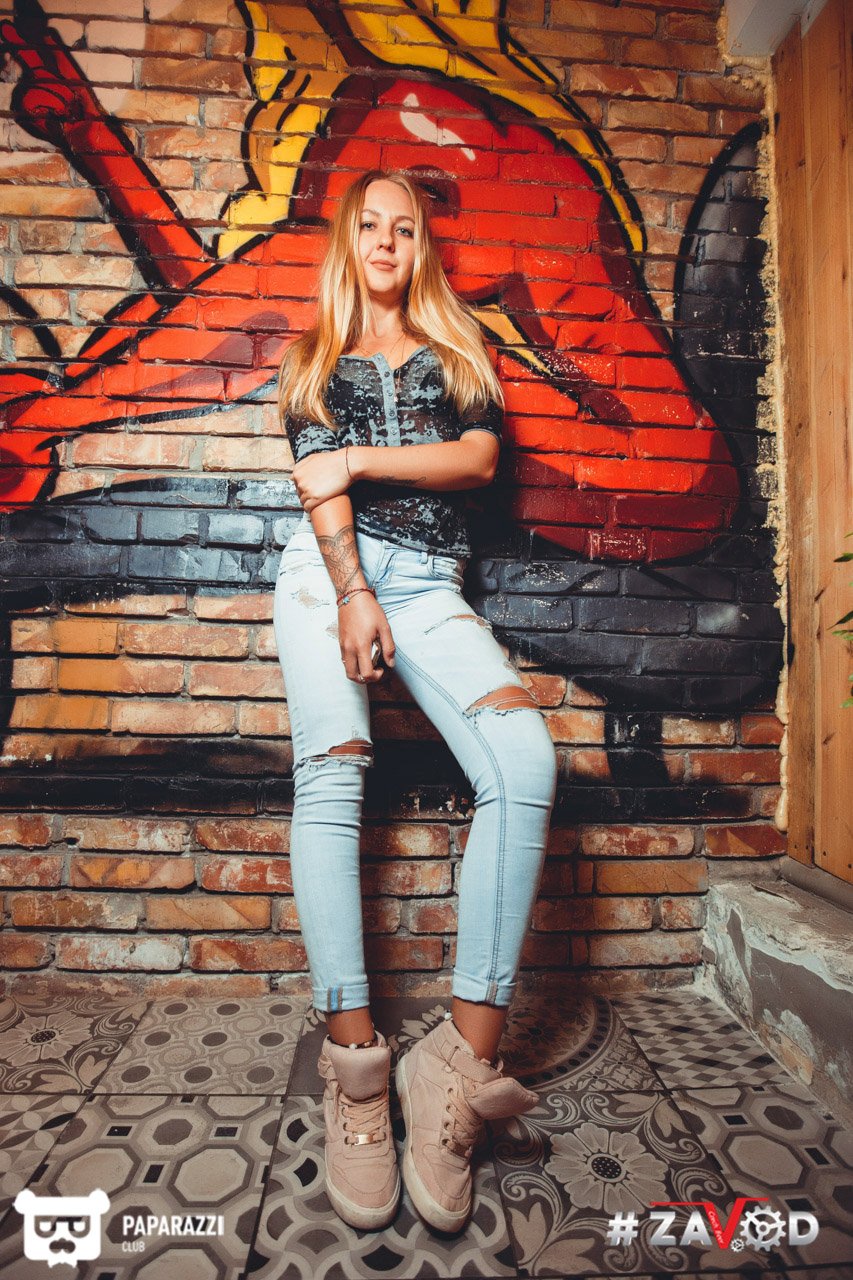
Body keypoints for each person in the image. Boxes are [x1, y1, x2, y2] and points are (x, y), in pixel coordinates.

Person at [274, 169, 558, 1234]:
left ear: (420, 245)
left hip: (433, 586)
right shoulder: (309, 358)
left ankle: (456, 1071)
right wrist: (351, 591)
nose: (386, 240)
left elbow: (478, 459)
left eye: (404, 226)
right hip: (326, 574)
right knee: (333, 774)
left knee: (523, 765)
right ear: (347, 242)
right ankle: (356, 1073)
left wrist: (355, 456)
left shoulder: (457, 349)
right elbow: (319, 496)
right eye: (369, 224)